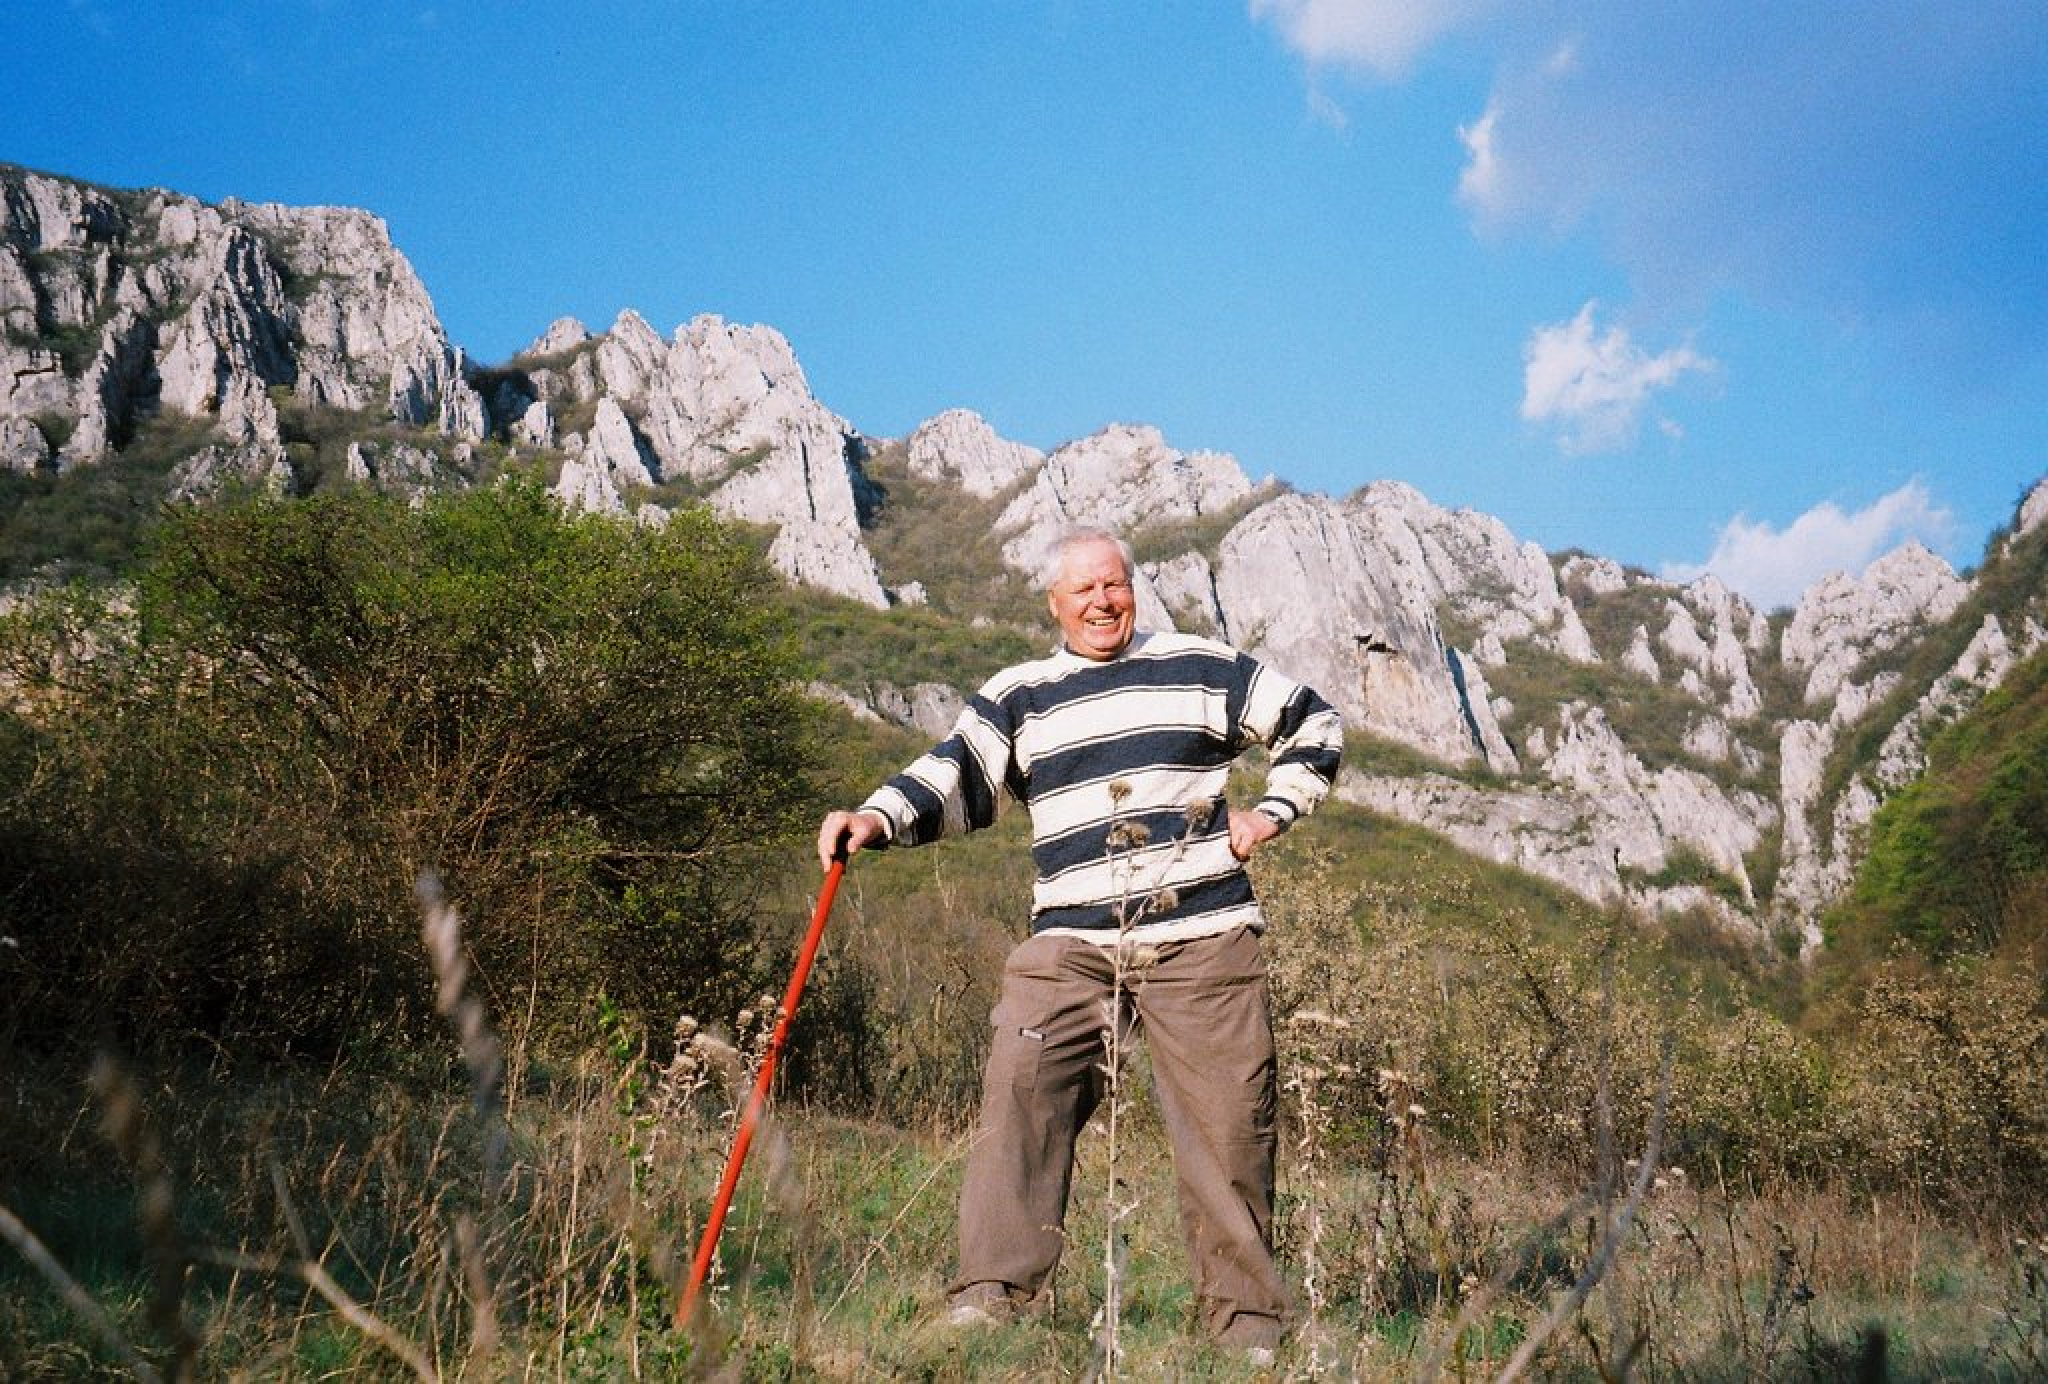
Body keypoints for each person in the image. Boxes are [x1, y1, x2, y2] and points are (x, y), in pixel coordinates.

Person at [816, 526, 1343, 1357]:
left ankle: (1247, 1328)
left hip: (1202, 940)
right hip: (1069, 941)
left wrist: (1272, 812)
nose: (1103, 602)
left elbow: (1315, 721)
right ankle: (990, 1299)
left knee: (1229, 1127)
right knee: (1020, 1093)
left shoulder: (1204, 665)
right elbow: (958, 773)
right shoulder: (1022, 694)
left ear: (1133, 587)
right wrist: (876, 816)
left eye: (1115, 585)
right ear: (1054, 604)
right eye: (1083, 591)